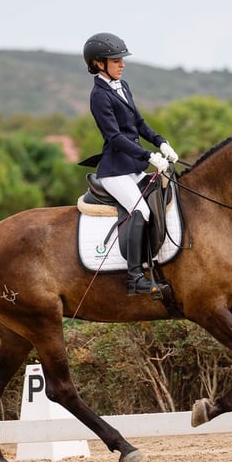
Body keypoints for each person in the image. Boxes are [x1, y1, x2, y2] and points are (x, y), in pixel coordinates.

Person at [82, 32, 179, 295]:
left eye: (121, 60)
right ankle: (134, 277)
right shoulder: (99, 95)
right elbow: (114, 137)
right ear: (99, 63)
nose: (122, 64)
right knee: (141, 212)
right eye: (116, 60)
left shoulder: (122, 87)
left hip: (133, 168)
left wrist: (160, 142)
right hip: (115, 172)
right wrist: (148, 156)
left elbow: (138, 122)